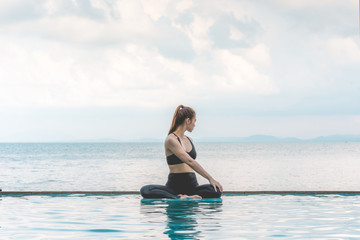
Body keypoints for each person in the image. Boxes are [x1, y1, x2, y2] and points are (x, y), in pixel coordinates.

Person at [140, 105, 223, 199]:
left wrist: (213, 182)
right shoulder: (171, 139)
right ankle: (179, 197)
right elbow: (190, 161)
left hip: (192, 186)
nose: (195, 124)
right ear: (188, 121)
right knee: (146, 190)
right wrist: (210, 178)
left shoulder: (190, 139)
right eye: (194, 121)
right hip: (174, 187)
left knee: (216, 191)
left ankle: (187, 196)